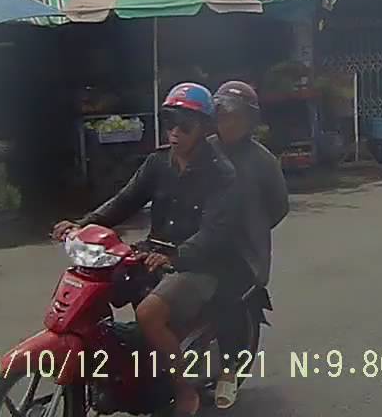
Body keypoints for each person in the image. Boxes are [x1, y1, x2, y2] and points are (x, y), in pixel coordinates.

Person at [51, 83, 245, 417]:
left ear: (203, 129)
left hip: (199, 264)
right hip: (155, 253)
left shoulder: (221, 173)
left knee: (148, 314)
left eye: (185, 125)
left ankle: (185, 391)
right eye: (170, 122)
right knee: (97, 289)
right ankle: (118, 374)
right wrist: (83, 224)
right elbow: (126, 200)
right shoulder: (158, 162)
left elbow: (215, 230)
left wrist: (176, 255)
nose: (175, 132)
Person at [207, 80, 289, 410]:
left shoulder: (263, 161)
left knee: (226, 294)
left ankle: (228, 370)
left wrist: (251, 229)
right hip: (198, 240)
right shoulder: (204, 150)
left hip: (243, 253)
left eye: (236, 117)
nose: (229, 123)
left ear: (250, 121)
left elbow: (279, 206)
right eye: (223, 116)